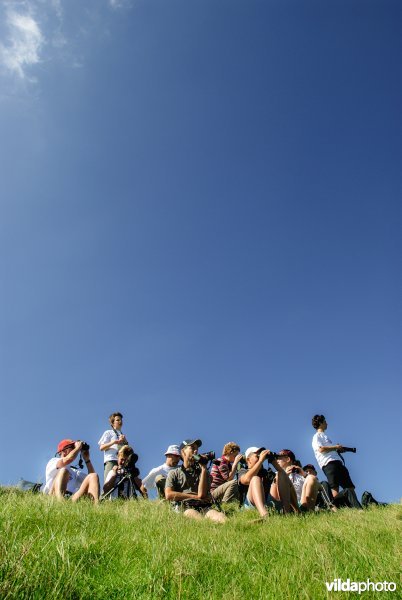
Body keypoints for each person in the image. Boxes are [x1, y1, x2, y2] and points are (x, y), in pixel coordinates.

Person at [165, 439, 226, 523]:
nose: (196, 450)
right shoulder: (174, 473)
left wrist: (204, 469)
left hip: (204, 506)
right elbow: (169, 495)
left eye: (197, 449)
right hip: (186, 507)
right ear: (183, 452)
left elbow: (202, 495)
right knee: (195, 516)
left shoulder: (203, 472)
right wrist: (193, 497)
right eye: (192, 448)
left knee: (220, 517)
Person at [238, 447, 299, 518]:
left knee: (281, 474)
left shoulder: (267, 473)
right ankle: (264, 514)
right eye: (257, 456)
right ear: (248, 460)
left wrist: (274, 462)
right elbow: (246, 480)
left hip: (268, 505)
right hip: (250, 506)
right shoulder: (243, 471)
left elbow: (286, 481)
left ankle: (287, 513)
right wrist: (260, 460)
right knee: (255, 479)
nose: (261, 457)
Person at [311, 415, 357, 499]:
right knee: (335, 488)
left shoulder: (324, 436)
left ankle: (355, 506)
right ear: (321, 423)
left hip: (337, 462)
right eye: (325, 421)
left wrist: (337, 450)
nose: (327, 423)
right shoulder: (316, 436)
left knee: (349, 486)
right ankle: (338, 508)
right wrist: (335, 447)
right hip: (329, 464)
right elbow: (321, 449)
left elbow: (328, 449)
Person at [43, 439, 100, 503]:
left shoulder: (73, 472)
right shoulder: (53, 461)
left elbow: (92, 482)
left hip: (71, 498)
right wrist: (78, 447)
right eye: (72, 447)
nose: (74, 449)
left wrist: (87, 460)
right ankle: (60, 503)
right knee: (64, 471)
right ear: (62, 451)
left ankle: (96, 507)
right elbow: (68, 460)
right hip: (53, 497)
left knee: (93, 476)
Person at [98, 412, 129, 481]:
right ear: (112, 423)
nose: (120, 421)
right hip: (111, 460)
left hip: (122, 462)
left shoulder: (122, 435)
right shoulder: (108, 432)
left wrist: (125, 442)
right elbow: (101, 447)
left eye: (121, 420)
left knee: (121, 484)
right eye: (117, 420)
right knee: (109, 481)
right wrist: (114, 442)